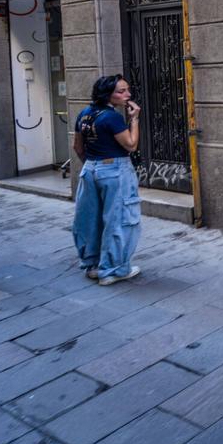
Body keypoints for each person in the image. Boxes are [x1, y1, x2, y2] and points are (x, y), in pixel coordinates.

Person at [72, 75, 142, 286]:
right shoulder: (112, 117)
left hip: (90, 168)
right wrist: (134, 119)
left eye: (127, 89)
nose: (128, 94)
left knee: (90, 218)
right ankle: (112, 270)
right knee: (119, 219)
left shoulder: (85, 114)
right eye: (121, 91)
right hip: (115, 169)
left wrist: (94, 165)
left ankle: (93, 265)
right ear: (107, 94)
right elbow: (131, 145)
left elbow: (77, 147)